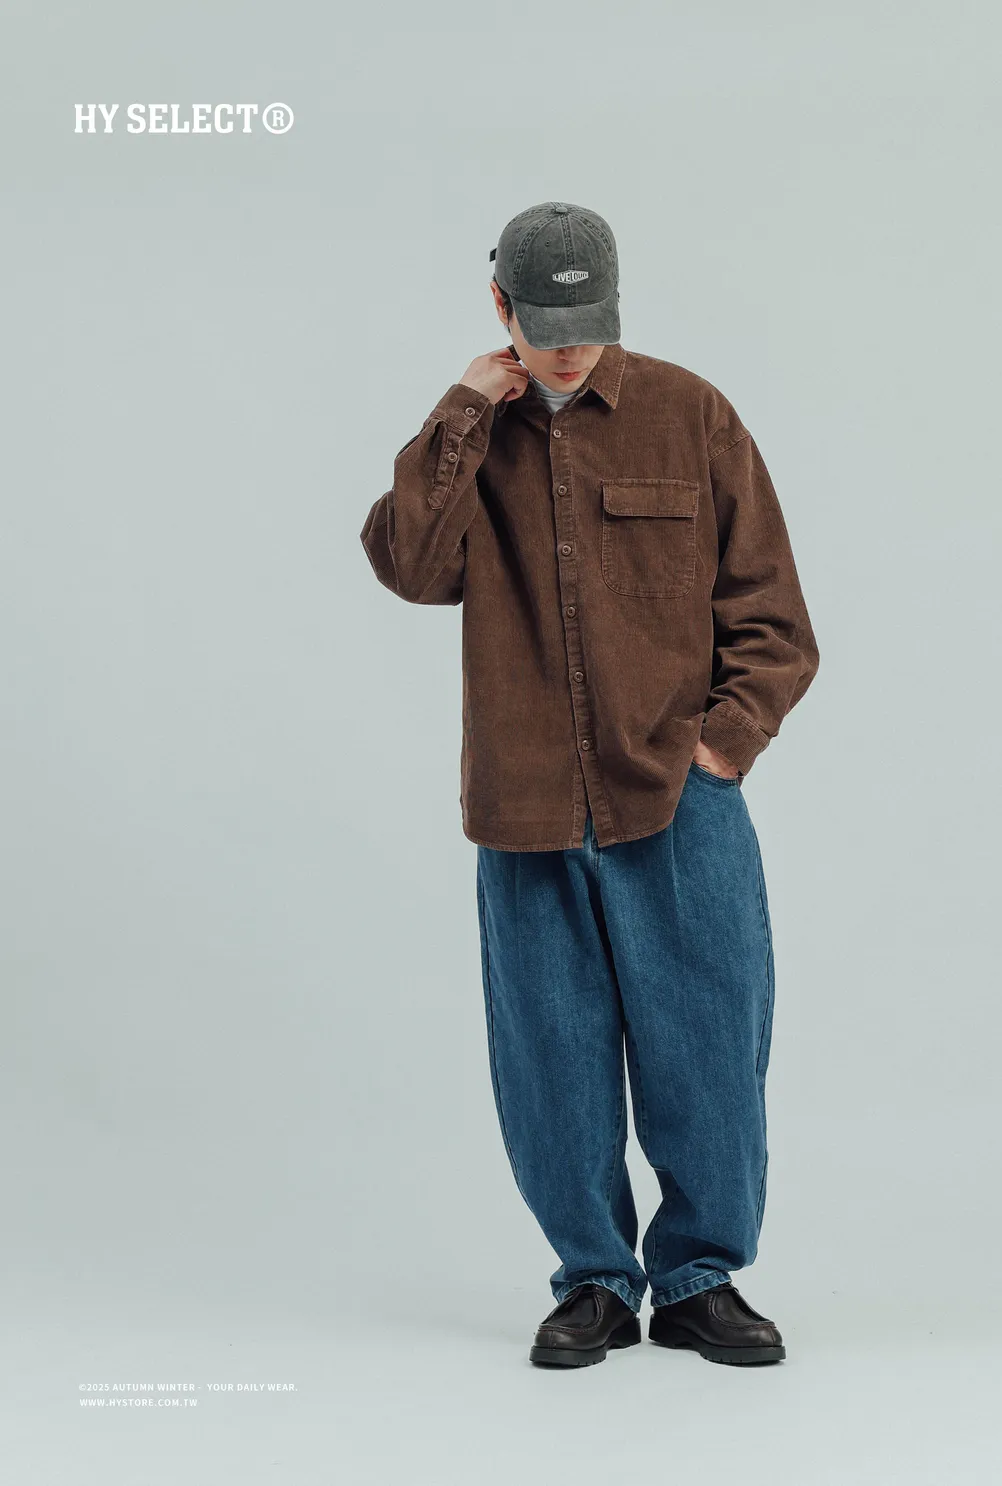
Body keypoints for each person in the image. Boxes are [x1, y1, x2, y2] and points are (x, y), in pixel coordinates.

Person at [360, 200, 820, 1368]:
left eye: (591, 323)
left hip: (678, 801)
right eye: (546, 325)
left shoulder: (691, 414)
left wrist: (721, 745)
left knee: (708, 1047)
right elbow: (409, 565)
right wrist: (463, 409)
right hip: (524, 806)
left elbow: (773, 617)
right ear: (501, 307)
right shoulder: (477, 436)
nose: (571, 348)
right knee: (550, 1062)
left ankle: (702, 1278)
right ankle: (596, 1281)